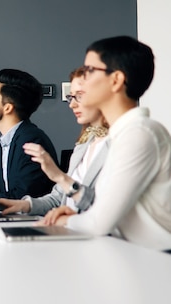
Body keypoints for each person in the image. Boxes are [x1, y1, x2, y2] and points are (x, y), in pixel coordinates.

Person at [41, 36, 171, 251]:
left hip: (157, 262)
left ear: (116, 80)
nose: (83, 79)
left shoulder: (139, 134)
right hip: (129, 254)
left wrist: (67, 221)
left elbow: (98, 224)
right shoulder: (121, 135)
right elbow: (102, 212)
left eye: (90, 70)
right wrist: (76, 216)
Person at [0, 68, 109, 215]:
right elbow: (57, 199)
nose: (71, 105)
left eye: (79, 96)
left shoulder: (117, 144)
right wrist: (25, 205)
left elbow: (105, 211)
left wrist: (59, 176)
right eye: (71, 97)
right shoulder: (82, 145)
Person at [0, 68, 58, 201]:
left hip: (33, 219)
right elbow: (1, 187)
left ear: (8, 107)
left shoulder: (31, 140)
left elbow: (21, 196)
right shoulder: (9, 139)